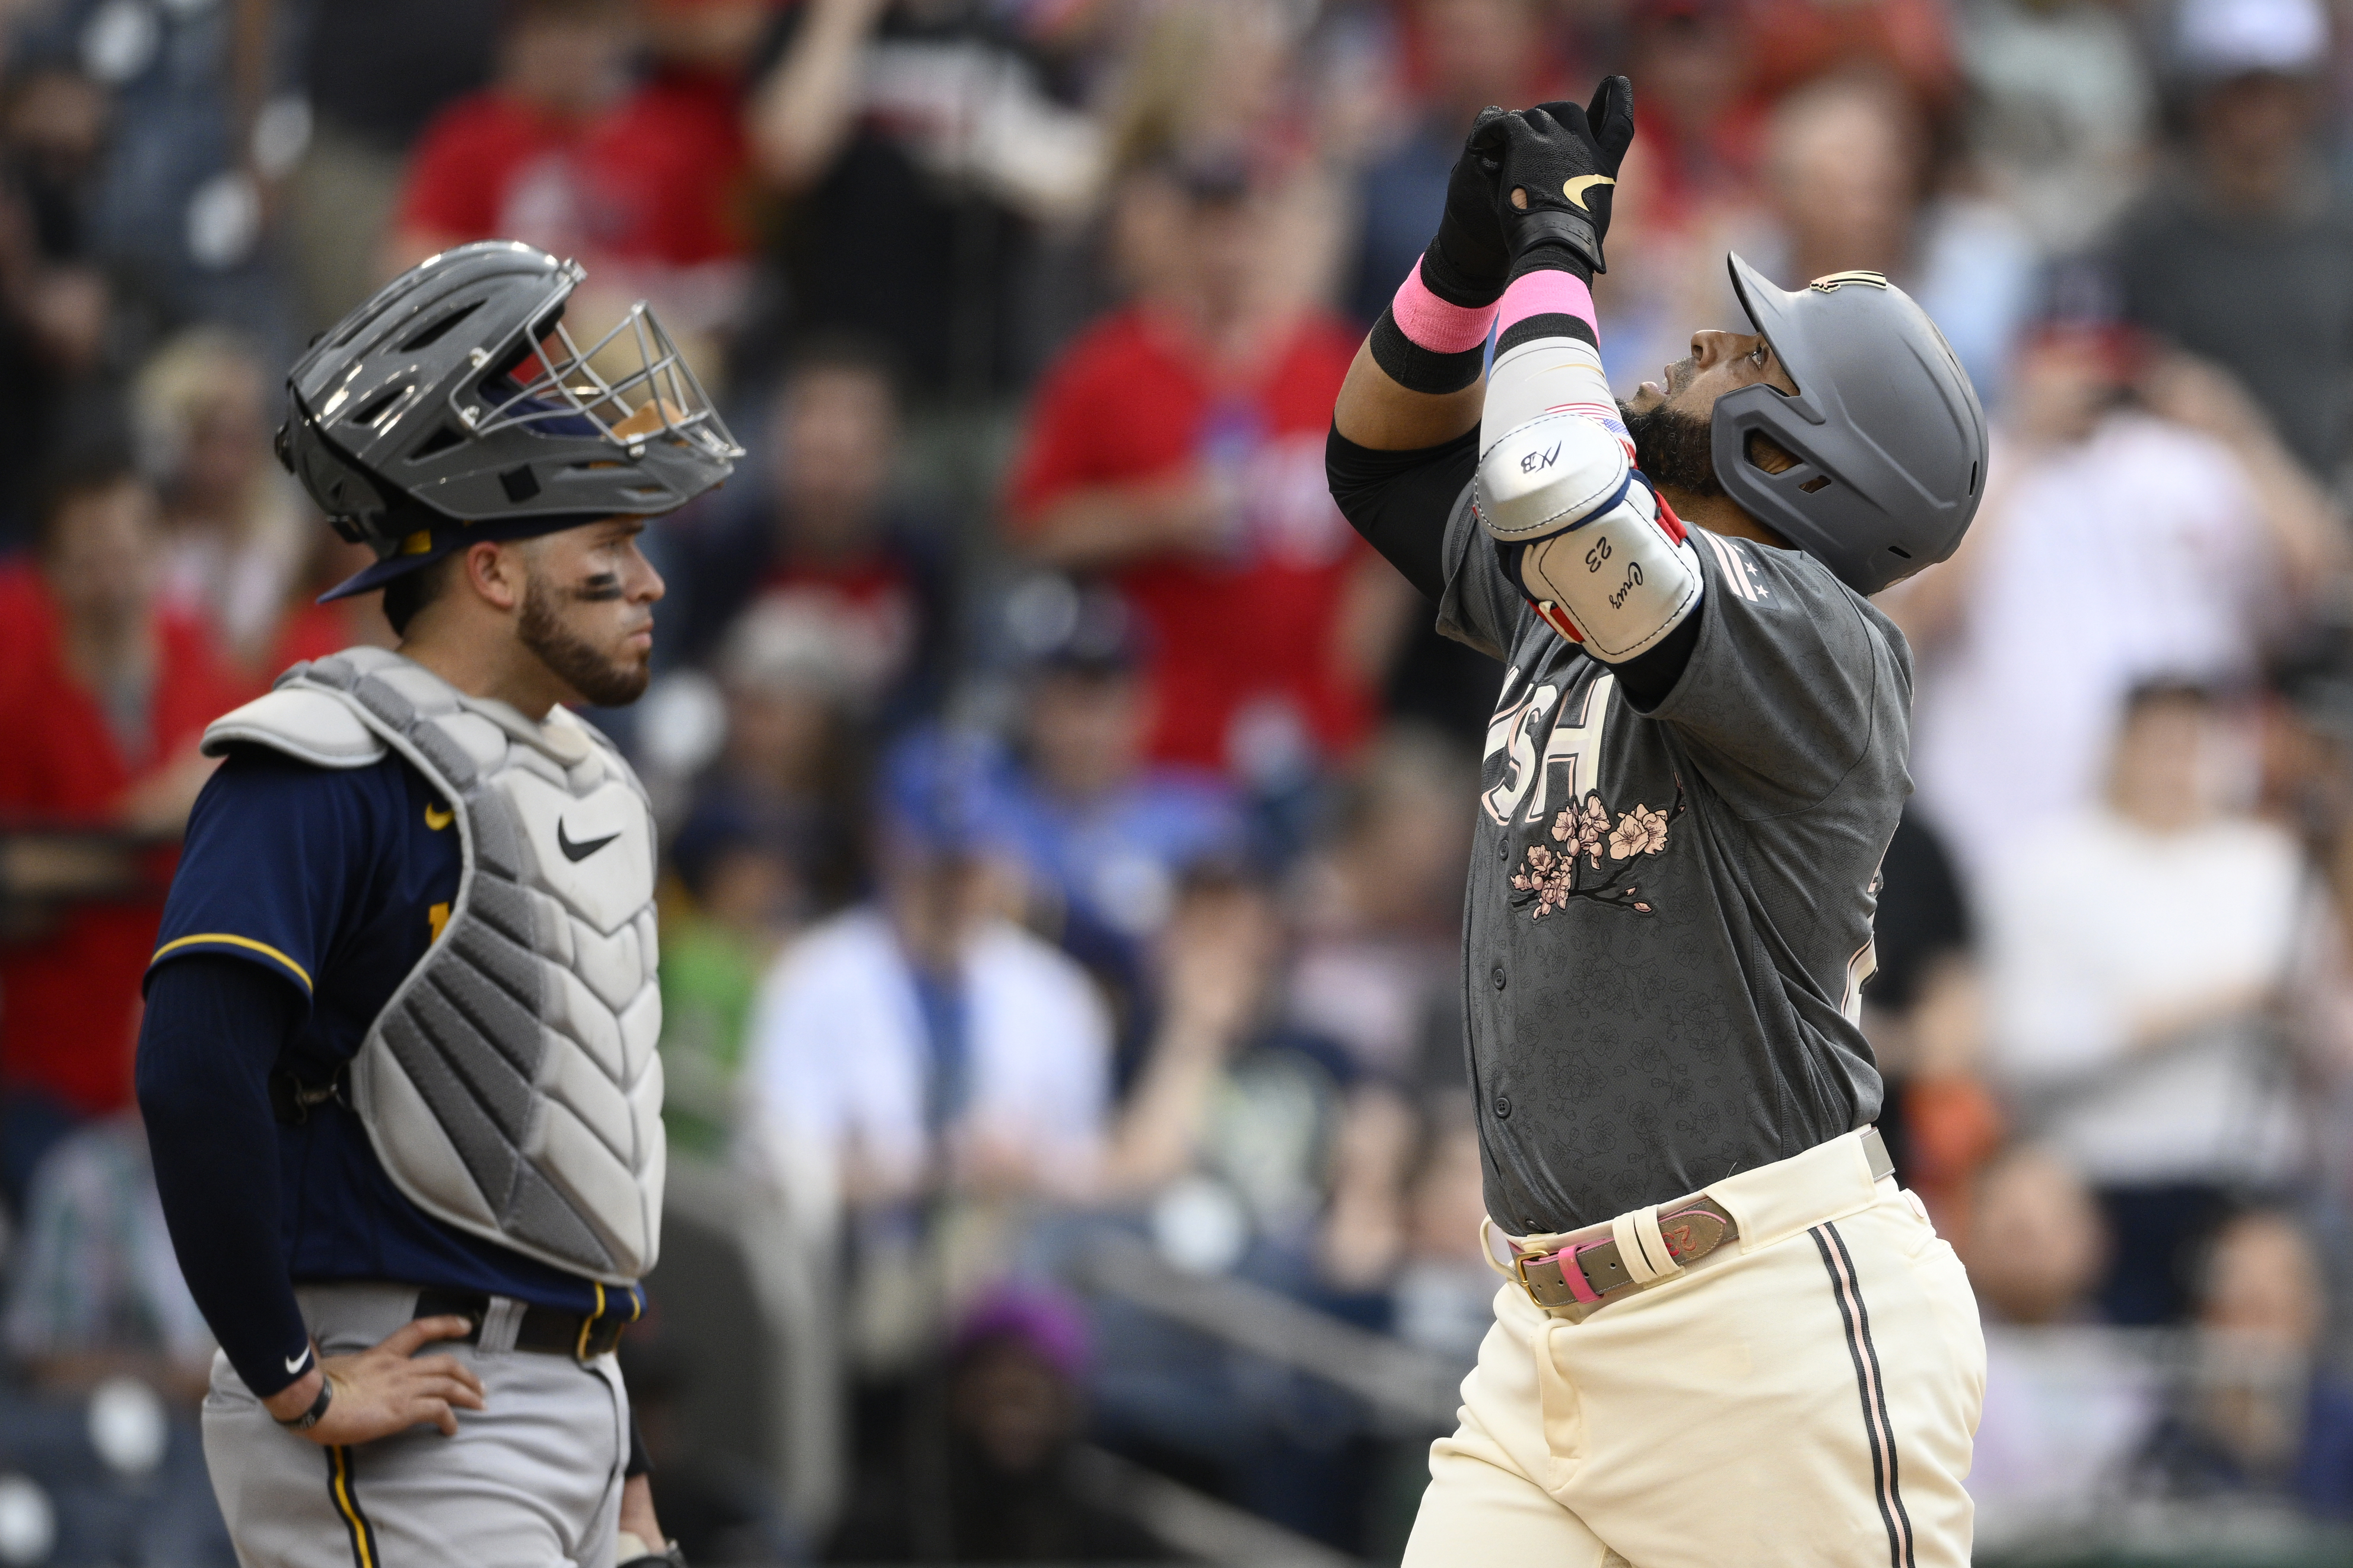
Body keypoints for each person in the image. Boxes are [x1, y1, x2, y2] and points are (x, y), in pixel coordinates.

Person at [1324, 81, 1988, 1563]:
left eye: (1742, 353)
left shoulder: (1819, 642)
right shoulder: (1598, 598)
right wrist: (1460, 267)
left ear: (1796, 454)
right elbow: (1382, 463)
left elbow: (1549, 480)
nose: (1695, 344)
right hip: (1549, 1338)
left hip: (1763, 1327)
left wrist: (1558, 254)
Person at [132, 241, 740, 1568]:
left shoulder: (589, 778)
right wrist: (293, 1374)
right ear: (492, 567)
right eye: (612, 542)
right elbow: (191, 1068)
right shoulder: (325, 759)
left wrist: (622, 1467)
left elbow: (574, 1166)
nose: (647, 582)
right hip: (408, 1396)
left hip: (571, 1400)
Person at [1980, 681, 2308, 1327]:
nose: (2176, 767)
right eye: (2159, 746)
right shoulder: (2048, 866)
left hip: (2243, 1175)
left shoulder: (2271, 866)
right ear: (2117, 751)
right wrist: (2212, 1005)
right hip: (2099, 1179)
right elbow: (2023, 1047)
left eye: (2193, 747)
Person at [0, 463, 235, 1214]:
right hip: (58, 1079)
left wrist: (75, 861)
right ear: (52, 575)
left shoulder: (207, 670)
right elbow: (14, 886)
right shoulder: (20, 702)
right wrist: (149, 822)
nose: (116, 575)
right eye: (90, 555)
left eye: (132, 547)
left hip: (201, 1073)